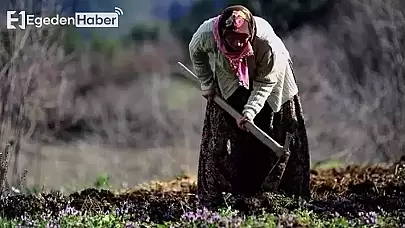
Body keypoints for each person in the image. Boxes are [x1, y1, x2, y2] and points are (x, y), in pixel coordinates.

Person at [188, 5, 311, 208]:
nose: (237, 42)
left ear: (250, 34)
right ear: (222, 34)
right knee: (221, 135)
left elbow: (265, 84)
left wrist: (250, 112)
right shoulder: (208, 34)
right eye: (232, 38)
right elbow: (196, 51)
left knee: (275, 127)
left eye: (242, 38)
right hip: (229, 78)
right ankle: (222, 196)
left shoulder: (267, 45)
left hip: (271, 82)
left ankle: (284, 194)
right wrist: (207, 83)